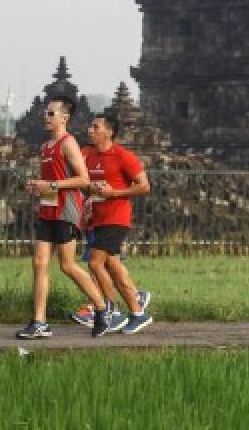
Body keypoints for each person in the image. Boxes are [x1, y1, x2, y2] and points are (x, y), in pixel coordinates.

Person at [17, 96, 114, 339]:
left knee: (68, 266)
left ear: (64, 118)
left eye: (51, 113)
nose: (45, 117)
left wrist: (49, 184)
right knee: (39, 263)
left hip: (67, 210)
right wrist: (39, 187)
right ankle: (39, 321)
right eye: (45, 113)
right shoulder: (46, 146)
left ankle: (102, 308)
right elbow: (54, 181)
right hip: (48, 209)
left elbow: (84, 180)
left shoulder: (68, 143)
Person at [81, 113, 155, 335]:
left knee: (95, 264)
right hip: (97, 219)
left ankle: (110, 311)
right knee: (114, 269)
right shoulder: (88, 155)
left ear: (109, 131)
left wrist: (115, 193)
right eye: (90, 126)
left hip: (116, 218)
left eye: (95, 127)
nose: (90, 131)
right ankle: (138, 312)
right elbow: (86, 185)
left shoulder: (123, 156)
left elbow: (144, 186)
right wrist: (88, 197)